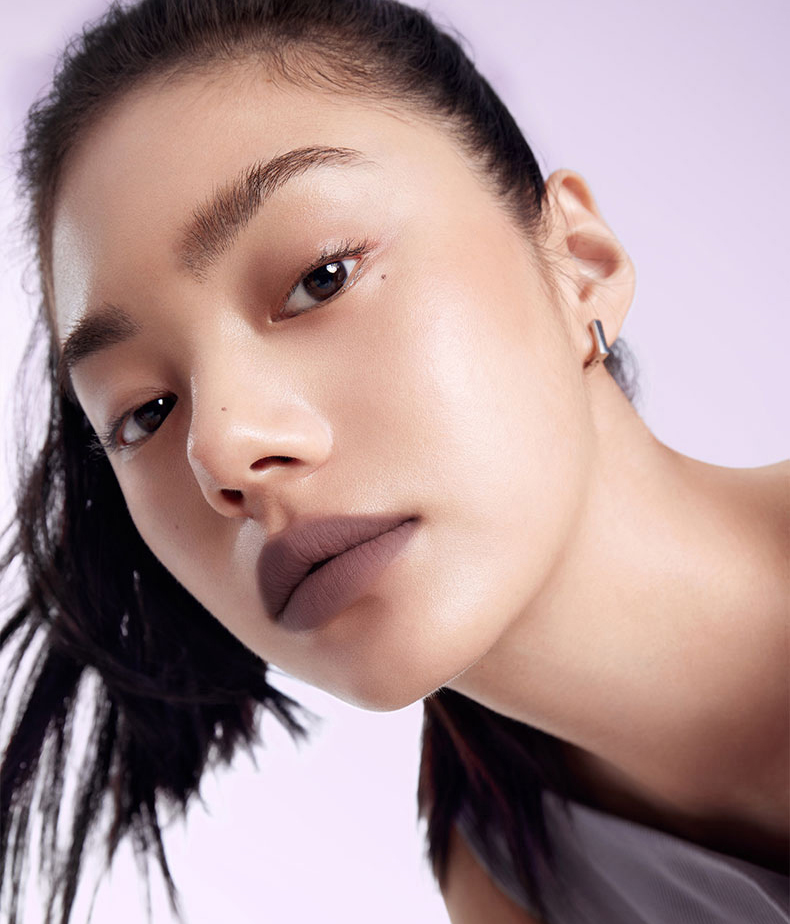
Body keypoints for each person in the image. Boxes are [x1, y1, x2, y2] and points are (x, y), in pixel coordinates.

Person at [0, 0, 787, 922]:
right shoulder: (506, 862)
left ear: (579, 260)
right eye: (146, 412)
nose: (223, 452)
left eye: (320, 279)